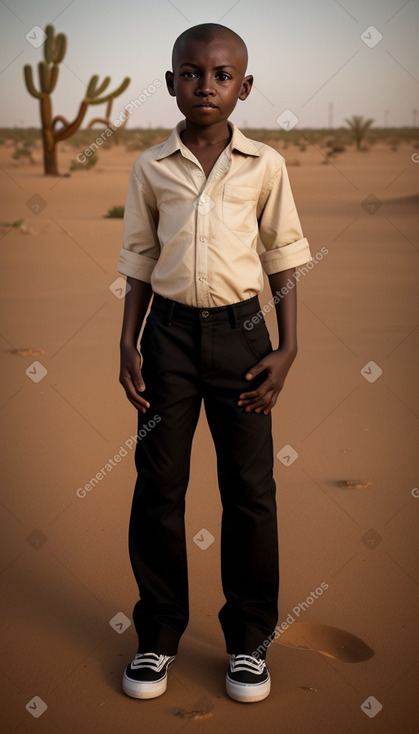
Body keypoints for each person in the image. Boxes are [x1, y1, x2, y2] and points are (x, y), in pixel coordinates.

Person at [117, 22, 311, 704]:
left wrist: (286, 348)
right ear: (171, 82)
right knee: (158, 488)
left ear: (244, 87)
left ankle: (248, 644)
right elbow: (139, 261)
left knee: (250, 493)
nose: (206, 85)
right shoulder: (150, 166)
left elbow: (282, 256)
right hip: (165, 338)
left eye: (221, 75)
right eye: (191, 73)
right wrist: (127, 342)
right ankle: (158, 635)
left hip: (242, 338)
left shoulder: (265, 165)